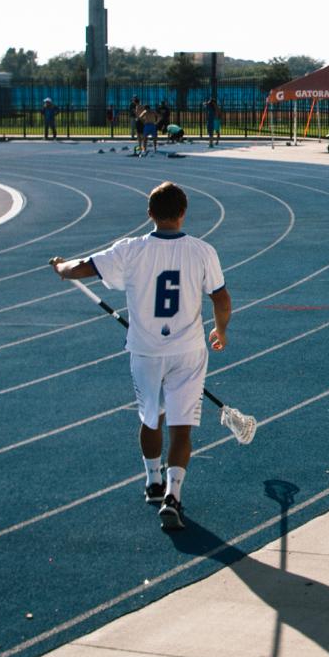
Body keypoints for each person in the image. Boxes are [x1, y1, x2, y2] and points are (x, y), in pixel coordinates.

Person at [50, 180, 232, 530]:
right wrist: (220, 331)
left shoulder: (129, 249)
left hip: (145, 350)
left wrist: (60, 268)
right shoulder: (202, 251)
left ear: (149, 213)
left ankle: (152, 481)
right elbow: (221, 299)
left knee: (151, 417)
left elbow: (80, 268)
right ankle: (173, 496)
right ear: (183, 213)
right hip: (188, 350)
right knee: (182, 427)